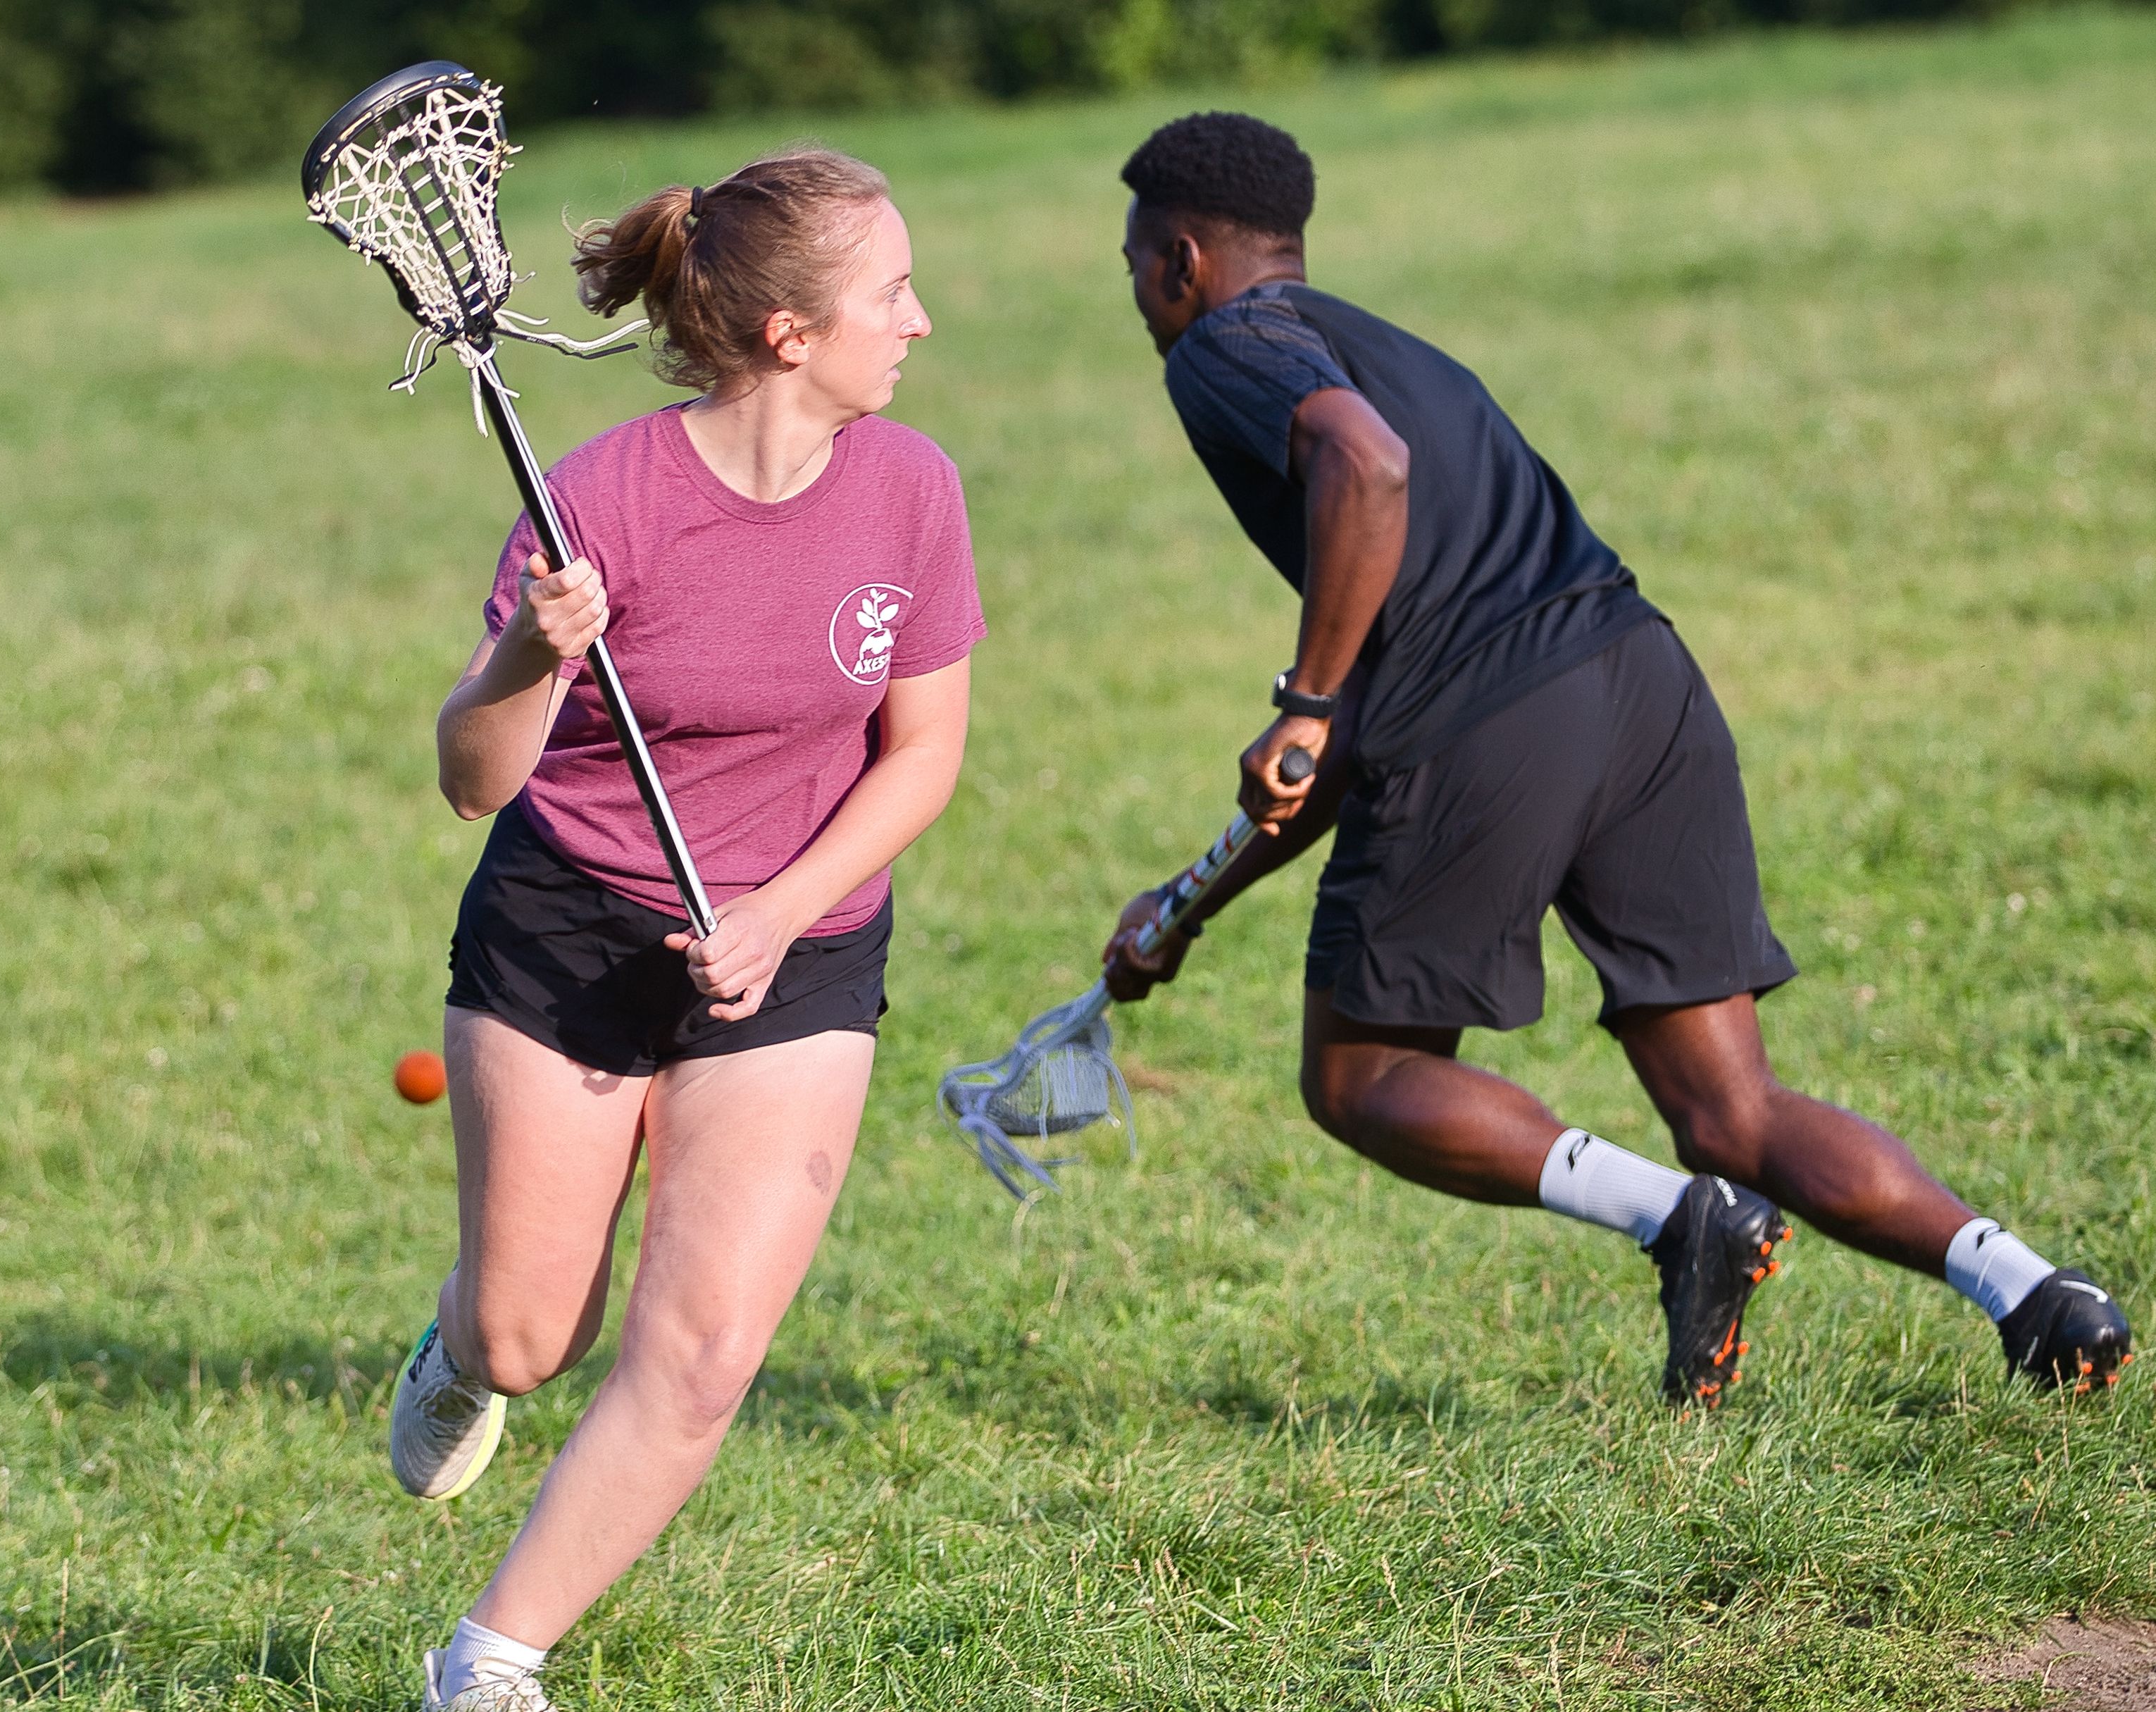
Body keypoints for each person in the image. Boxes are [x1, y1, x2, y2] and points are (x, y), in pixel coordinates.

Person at [1099, 111, 2132, 1407]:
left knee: (1359, 1078)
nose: (1137, 294)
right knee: (1734, 1109)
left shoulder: (1223, 349)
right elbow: (1353, 724)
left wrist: (1299, 698)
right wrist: (1188, 905)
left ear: (1180, 260)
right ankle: (2035, 1293)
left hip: (1487, 716)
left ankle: (1673, 1217)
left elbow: (1363, 492)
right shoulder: (1399, 353)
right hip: (1637, 679)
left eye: (1134, 264)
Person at [390, 150, 983, 1711]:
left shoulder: (912, 490)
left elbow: (919, 755)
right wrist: (526, 652)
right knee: (532, 1340)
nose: (918, 323)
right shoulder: (595, 500)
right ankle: (461, 1349)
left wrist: (781, 913)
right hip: (567, 940)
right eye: (891, 294)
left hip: (799, 952)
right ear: (791, 332)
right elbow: (471, 781)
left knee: (706, 1351)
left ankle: (489, 1661)